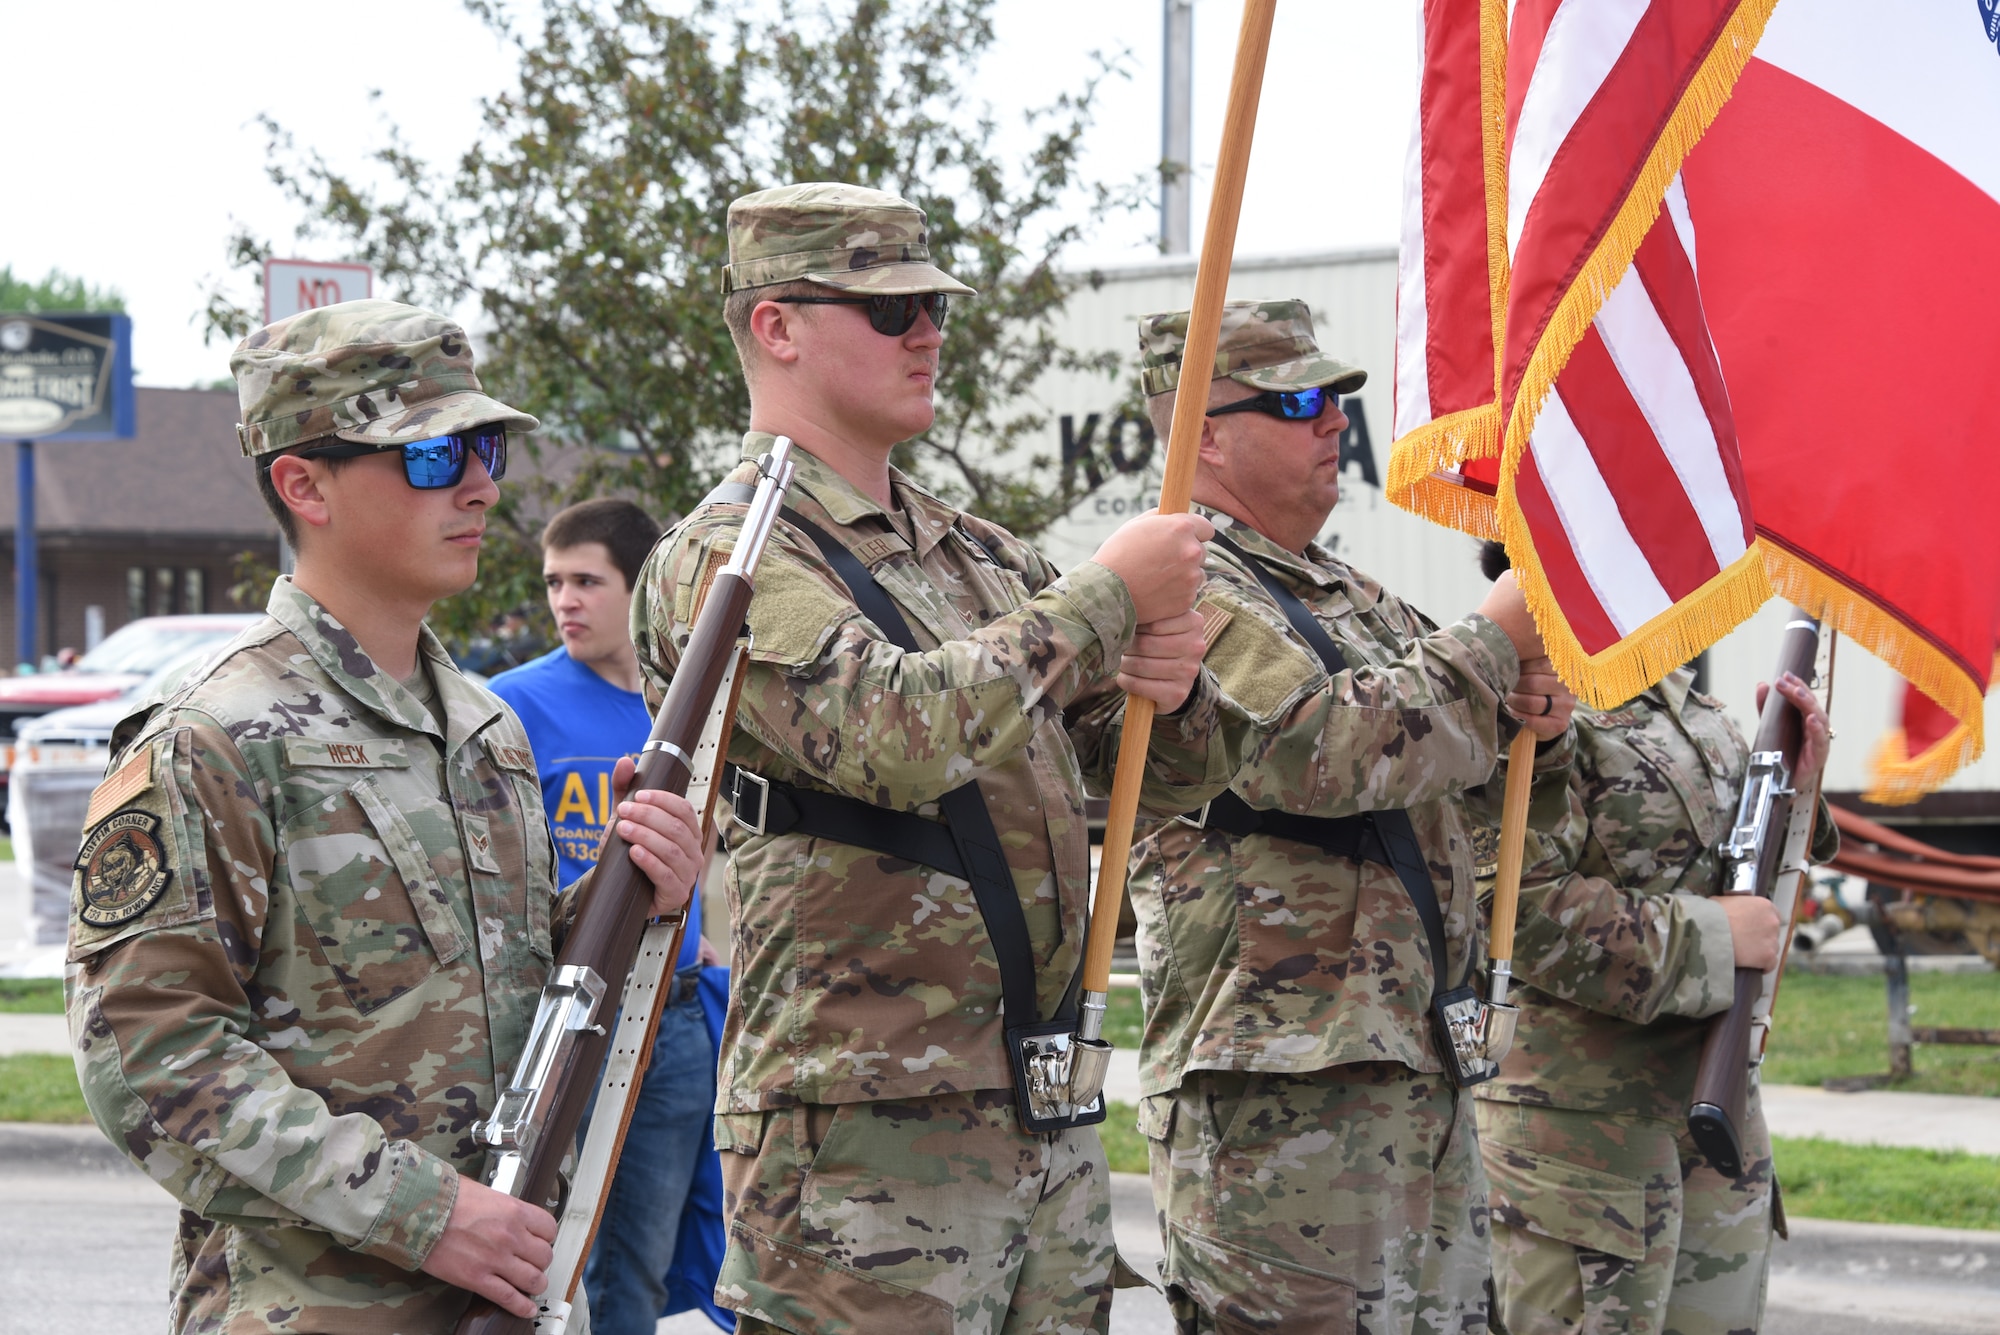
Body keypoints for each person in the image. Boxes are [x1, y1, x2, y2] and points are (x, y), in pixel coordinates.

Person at [631, 181, 1230, 1335]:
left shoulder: (978, 557)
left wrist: (1176, 691)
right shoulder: (725, 559)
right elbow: (891, 736)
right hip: (862, 1128)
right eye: (890, 307)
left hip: (1033, 1099)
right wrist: (1105, 598)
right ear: (777, 326)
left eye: (934, 306)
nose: (926, 333)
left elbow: (1146, 772)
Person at [63, 299, 706, 1333]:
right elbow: (146, 1057)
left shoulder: (486, 727)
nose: (480, 483)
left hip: (508, 1296)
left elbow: (514, 986)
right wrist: (426, 1212)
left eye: (482, 445)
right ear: (302, 483)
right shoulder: (212, 734)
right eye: (429, 455)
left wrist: (635, 896)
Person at [1112, 300, 1574, 1335]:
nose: (1333, 425)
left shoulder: (1346, 595)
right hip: (1282, 1094)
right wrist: (1490, 649)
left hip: (1414, 1068)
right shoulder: (1182, 582)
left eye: (1337, 402)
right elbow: (1316, 753)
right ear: (1206, 431)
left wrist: (1531, 722)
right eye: (1300, 401)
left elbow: (1474, 774)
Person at [1470, 541, 1835, 1335]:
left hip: (1711, 1113)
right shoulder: (1521, 694)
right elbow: (1512, 909)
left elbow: (1742, 874)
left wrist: (1797, 791)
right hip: (1581, 1153)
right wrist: (1713, 937)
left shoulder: (1674, 694)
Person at [488, 499, 729, 1334]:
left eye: (587, 580)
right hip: (578, 1006)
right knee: (555, 1257)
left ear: (642, 588)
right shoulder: (510, 704)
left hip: (676, 1013)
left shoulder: (690, 707)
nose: (565, 599)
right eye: (554, 581)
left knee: (646, 1269)